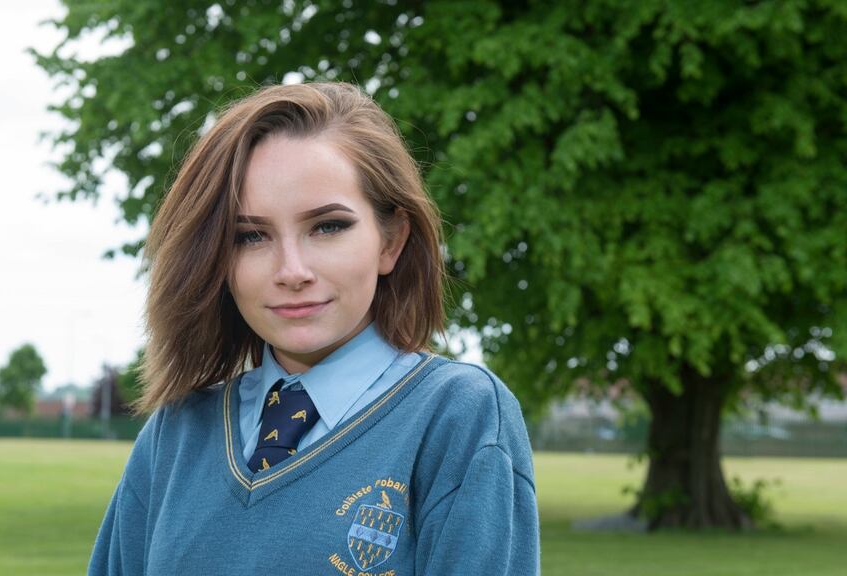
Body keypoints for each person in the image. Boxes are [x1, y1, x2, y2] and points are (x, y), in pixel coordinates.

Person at [88, 82, 539, 575]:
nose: (292, 269)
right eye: (251, 236)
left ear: (391, 241)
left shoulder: (458, 417)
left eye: (327, 227)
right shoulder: (176, 434)